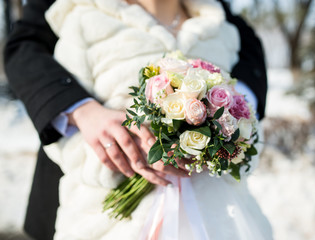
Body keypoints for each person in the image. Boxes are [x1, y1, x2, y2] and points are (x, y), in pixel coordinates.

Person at [4, 0, 270, 239]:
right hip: (109, 217)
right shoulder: (83, 17)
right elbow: (24, 48)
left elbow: (247, 123)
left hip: (218, 214)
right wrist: (90, 120)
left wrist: (223, 124)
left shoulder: (218, 25)